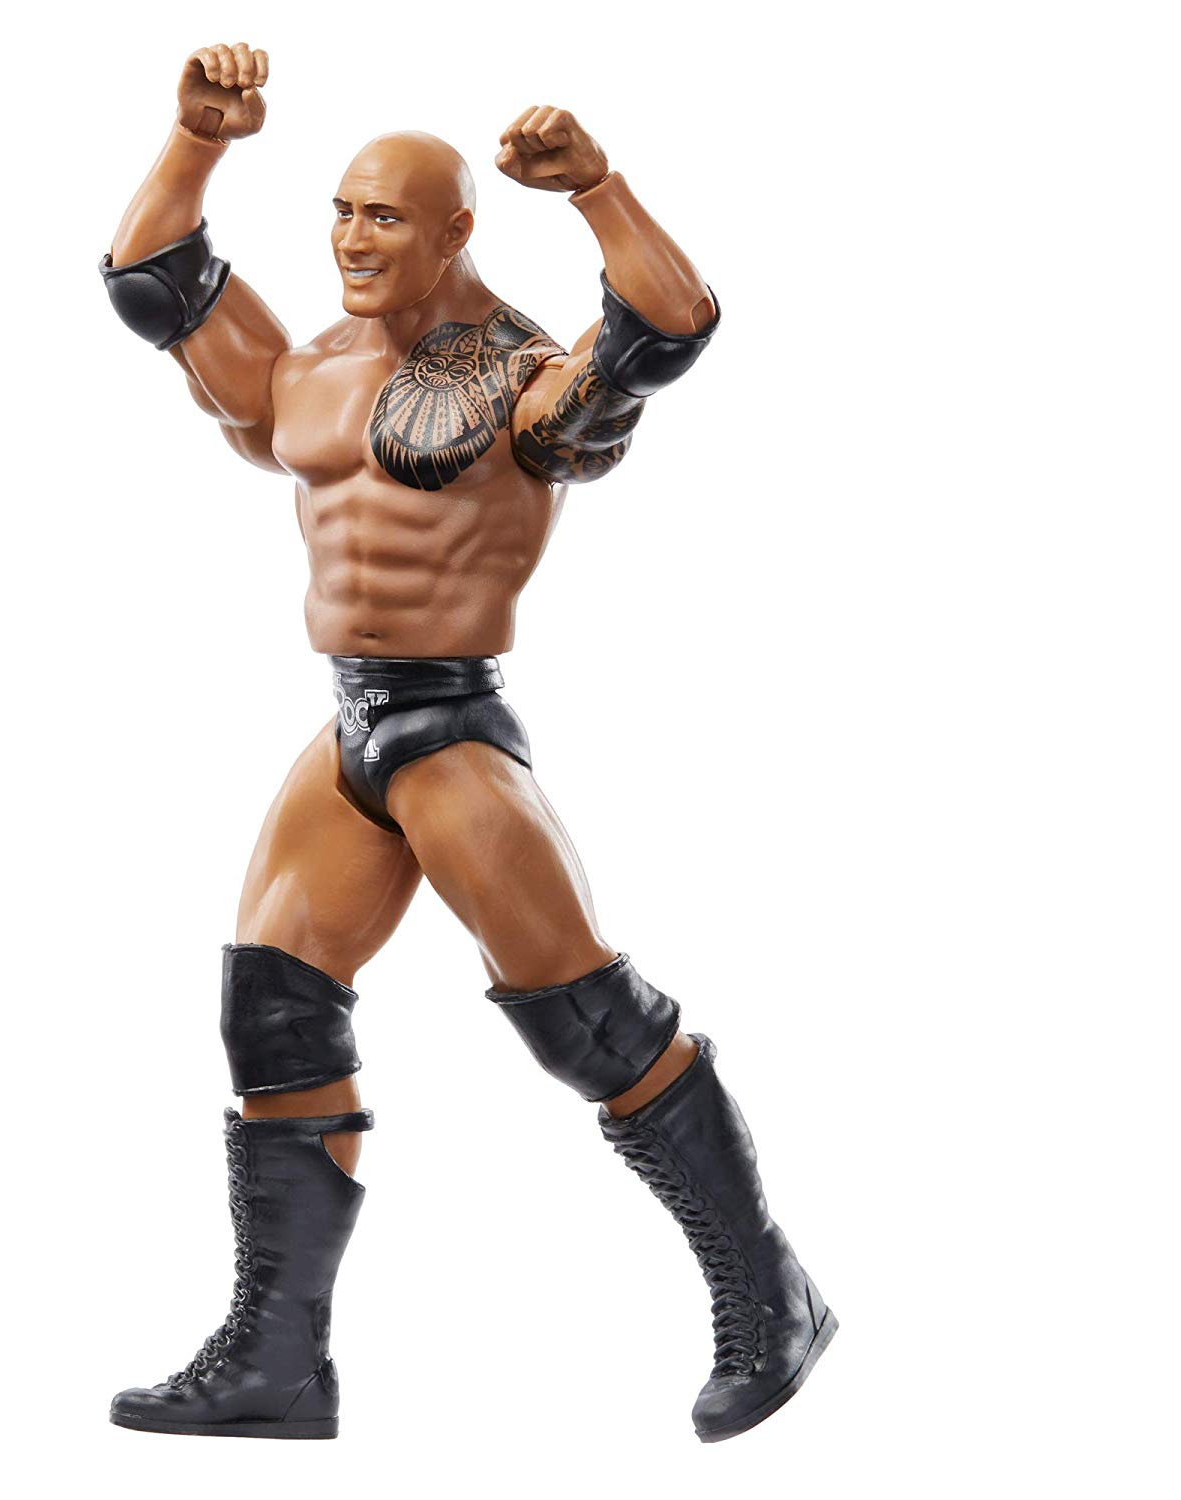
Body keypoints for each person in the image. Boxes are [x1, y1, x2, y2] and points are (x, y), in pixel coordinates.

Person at [100, 41, 835, 1443]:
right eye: (340, 210)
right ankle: (277, 1364)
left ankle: (771, 1294)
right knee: (272, 1006)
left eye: (385, 216)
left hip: (448, 727)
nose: (352, 238)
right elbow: (154, 278)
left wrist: (599, 188)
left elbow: (667, 330)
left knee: (590, 1026)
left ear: (454, 234)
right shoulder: (309, 373)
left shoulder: (522, 379)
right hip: (351, 724)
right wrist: (198, 139)